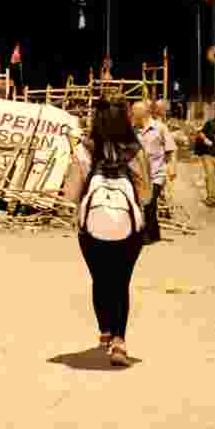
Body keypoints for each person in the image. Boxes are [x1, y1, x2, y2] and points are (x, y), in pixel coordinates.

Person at [62, 96, 152, 367]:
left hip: (91, 230)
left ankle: (105, 329)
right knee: (121, 282)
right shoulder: (135, 150)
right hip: (128, 230)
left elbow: (71, 194)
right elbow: (146, 195)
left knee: (100, 279)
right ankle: (119, 341)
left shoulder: (84, 150)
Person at [132, 101, 177, 244]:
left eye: (134, 112)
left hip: (157, 174)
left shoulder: (160, 128)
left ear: (143, 113)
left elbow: (171, 149)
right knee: (146, 204)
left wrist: (172, 167)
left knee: (149, 202)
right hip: (140, 175)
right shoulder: (133, 130)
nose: (132, 115)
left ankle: (147, 236)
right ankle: (155, 233)